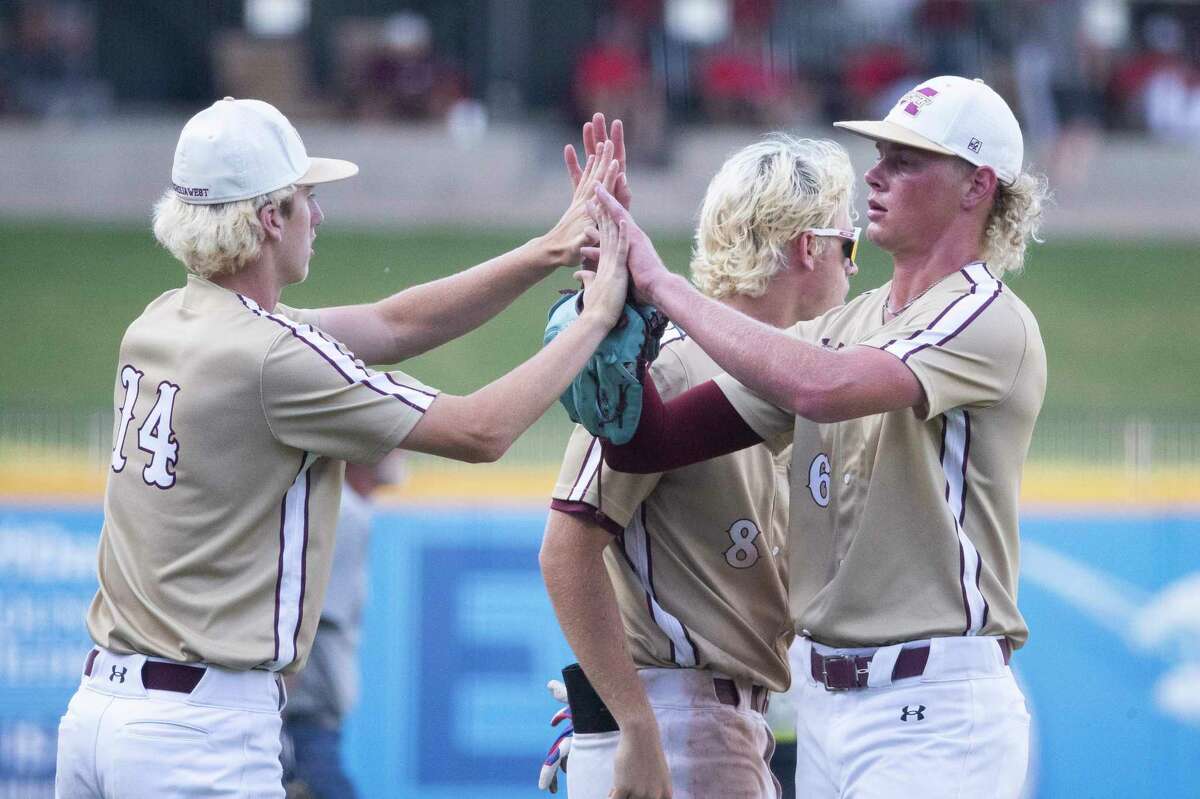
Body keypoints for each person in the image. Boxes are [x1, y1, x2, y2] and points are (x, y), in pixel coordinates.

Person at [53, 96, 631, 799]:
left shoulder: (162, 319)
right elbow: (482, 431)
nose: (318, 216)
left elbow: (395, 322)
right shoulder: (272, 356)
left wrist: (552, 248)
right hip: (195, 733)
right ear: (270, 218)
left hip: (96, 712)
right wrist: (595, 316)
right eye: (306, 198)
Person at [592, 75, 1049, 798]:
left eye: (907, 159)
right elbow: (654, 442)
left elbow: (821, 388)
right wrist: (604, 323)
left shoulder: (987, 316)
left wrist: (664, 286)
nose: (876, 173)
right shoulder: (846, 323)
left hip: (935, 709)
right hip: (823, 707)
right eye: (881, 153)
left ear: (976, 186)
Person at [540, 132, 860, 798]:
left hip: (716, 720)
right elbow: (566, 548)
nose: (854, 269)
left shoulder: (786, 384)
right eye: (848, 245)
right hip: (680, 722)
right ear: (810, 246)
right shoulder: (672, 363)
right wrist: (634, 723)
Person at [280, 453, 404, 798]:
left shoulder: (346, 508)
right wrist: (273, 724)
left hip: (303, 726)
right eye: (389, 440)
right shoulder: (343, 513)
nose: (402, 447)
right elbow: (300, 626)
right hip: (299, 729)